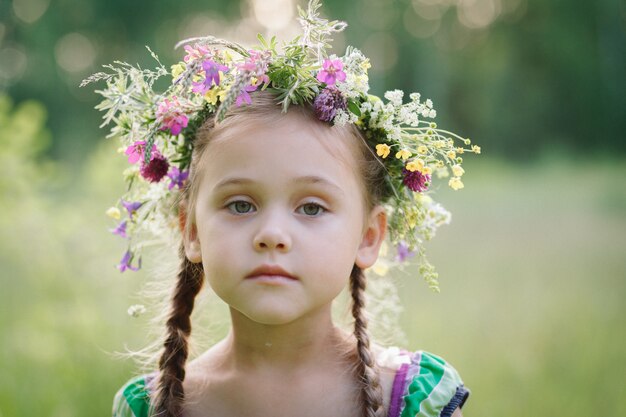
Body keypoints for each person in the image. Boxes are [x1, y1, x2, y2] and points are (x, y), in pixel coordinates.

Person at [85, 2, 478, 416]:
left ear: (368, 237)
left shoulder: (413, 398)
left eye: (310, 208)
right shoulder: (151, 407)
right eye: (240, 204)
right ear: (192, 230)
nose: (271, 234)